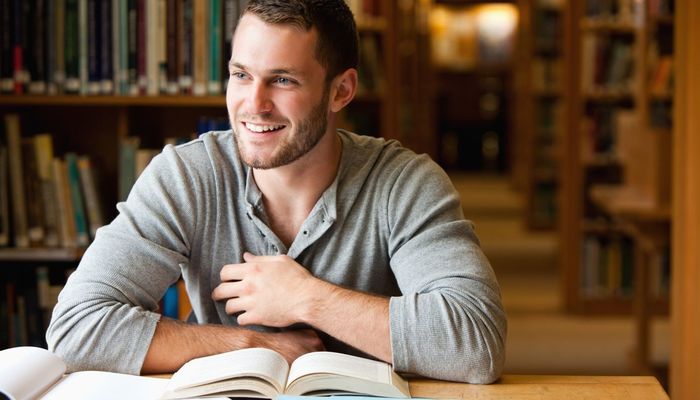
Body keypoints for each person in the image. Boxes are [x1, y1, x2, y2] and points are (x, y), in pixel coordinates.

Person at [47, 0, 506, 384]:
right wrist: (256, 345)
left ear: (340, 91)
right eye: (241, 75)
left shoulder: (405, 182)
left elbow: (475, 345)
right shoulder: (185, 176)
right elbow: (76, 328)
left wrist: (307, 298)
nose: (254, 104)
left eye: (283, 80)